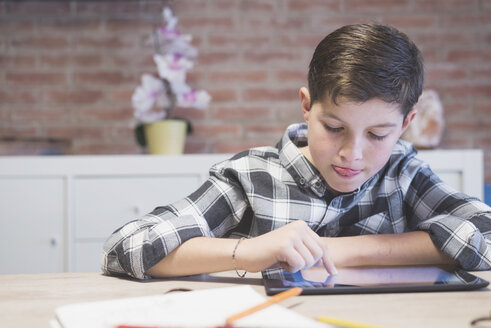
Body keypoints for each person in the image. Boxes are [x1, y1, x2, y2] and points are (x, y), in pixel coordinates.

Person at [102, 23, 491, 280]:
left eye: (377, 134)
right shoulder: (252, 176)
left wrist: (341, 251)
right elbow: (125, 248)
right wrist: (246, 252)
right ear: (307, 106)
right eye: (334, 128)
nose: (352, 154)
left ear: (406, 124)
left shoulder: (403, 172)